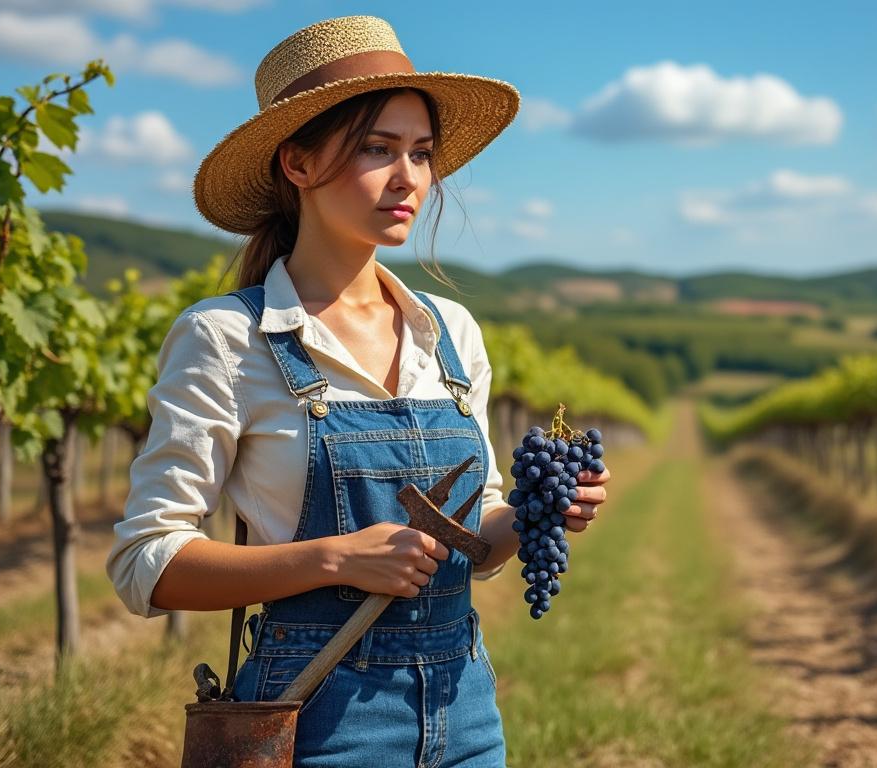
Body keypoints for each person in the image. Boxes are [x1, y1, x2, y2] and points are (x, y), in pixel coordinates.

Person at [105, 15, 612, 765]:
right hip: (313, 717)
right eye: (377, 149)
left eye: (421, 153)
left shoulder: (453, 333)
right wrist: (337, 558)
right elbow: (146, 562)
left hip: (466, 713)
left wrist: (540, 514)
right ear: (299, 164)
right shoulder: (224, 338)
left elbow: (471, 546)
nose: (409, 177)